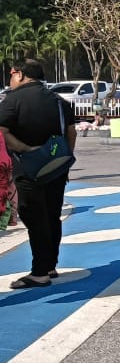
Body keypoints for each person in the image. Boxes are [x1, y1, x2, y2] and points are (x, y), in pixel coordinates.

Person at [0, 59, 76, 289]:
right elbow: (71, 133)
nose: (11, 78)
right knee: (52, 215)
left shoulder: (13, 100)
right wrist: (64, 159)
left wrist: (24, 149)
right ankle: (50, 265)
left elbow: (1, 131)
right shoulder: (58, 100)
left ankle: (40, 272)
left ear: (20, 74)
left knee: (34, 217)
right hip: (56, 167)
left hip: (28, 168)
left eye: (12, 73)